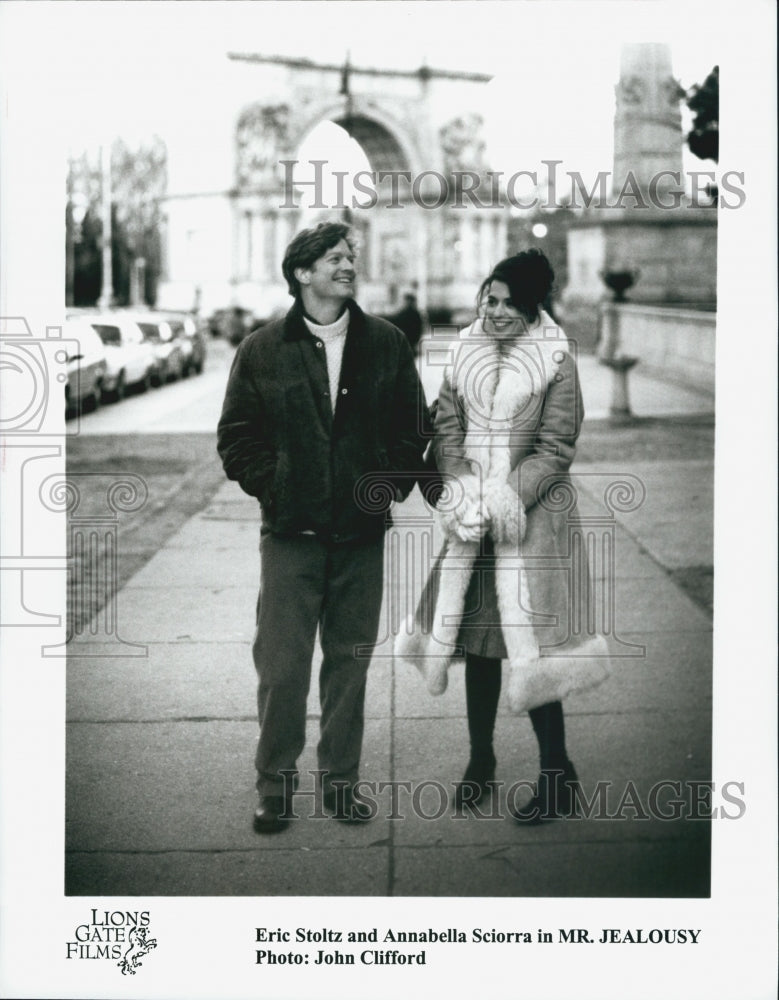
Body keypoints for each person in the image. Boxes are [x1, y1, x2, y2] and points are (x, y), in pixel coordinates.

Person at [217, 222, 429, 833]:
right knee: (282, 671)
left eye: (350, 256)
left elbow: (411, 428)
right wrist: (279, 486)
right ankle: (275, 788)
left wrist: (381, 488)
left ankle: (341, 784)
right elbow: (237, 438)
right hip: (291, 538)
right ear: (302, 273)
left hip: (362, 538)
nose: (348, 265)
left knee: (349, 667)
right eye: (334, 258)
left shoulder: (385, 342)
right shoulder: (262, 349)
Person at [395, 249, 608, 822]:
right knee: (480, 644)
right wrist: (460, 488)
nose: (495, 310)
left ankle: (556, 771)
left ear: (532, 305)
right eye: (489, 298)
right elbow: (446, 427)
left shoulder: (556, 357)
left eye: (509, 303)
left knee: (533, 649)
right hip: (471, 525)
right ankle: (480, 760)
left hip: (529, 523)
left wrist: (504, 498)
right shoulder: (463, 350)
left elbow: (556, 447)